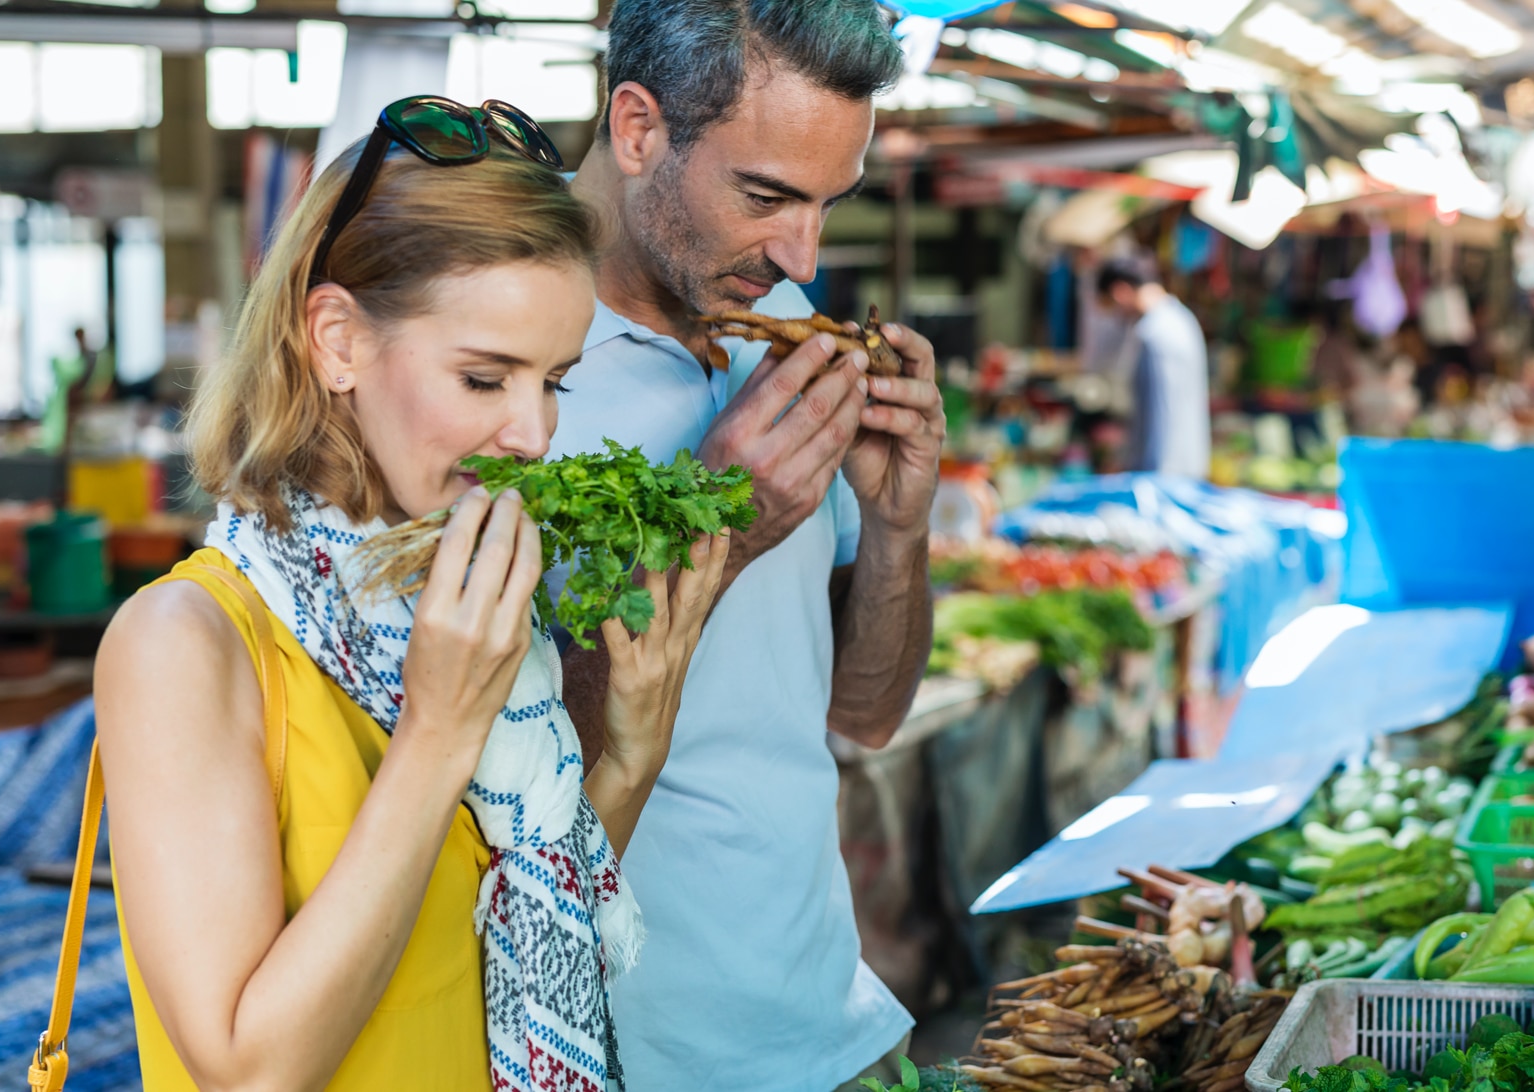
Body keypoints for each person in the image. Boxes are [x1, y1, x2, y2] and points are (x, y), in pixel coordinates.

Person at [93, 97, 727, 1092]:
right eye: (485, 378)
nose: (533, 433)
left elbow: (511, 918)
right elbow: (248, 1071)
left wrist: (633, 754)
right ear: (337, 340)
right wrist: (437, 730)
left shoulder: (465, 604)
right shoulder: (186, 642)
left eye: (554, 380)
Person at [558, 2, 945, 1088]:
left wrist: (897, 522)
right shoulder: (491, 356)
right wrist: (715, 528)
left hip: (829, 1022)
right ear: (636, 128)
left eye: (827, 204)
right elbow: (471, 778)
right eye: (766, 196)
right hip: (634, 1052)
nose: (800, 255)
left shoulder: (766, 307)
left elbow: (862, 714)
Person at [1095, 260, 1211, 480]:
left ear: (1120, 292)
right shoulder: (1180, 319)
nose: (1116, 316)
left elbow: (1161, 415)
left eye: (1111, 306)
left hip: (1165, 475)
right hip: (1183, 468)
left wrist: (1149, 476)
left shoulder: (1156, 333)